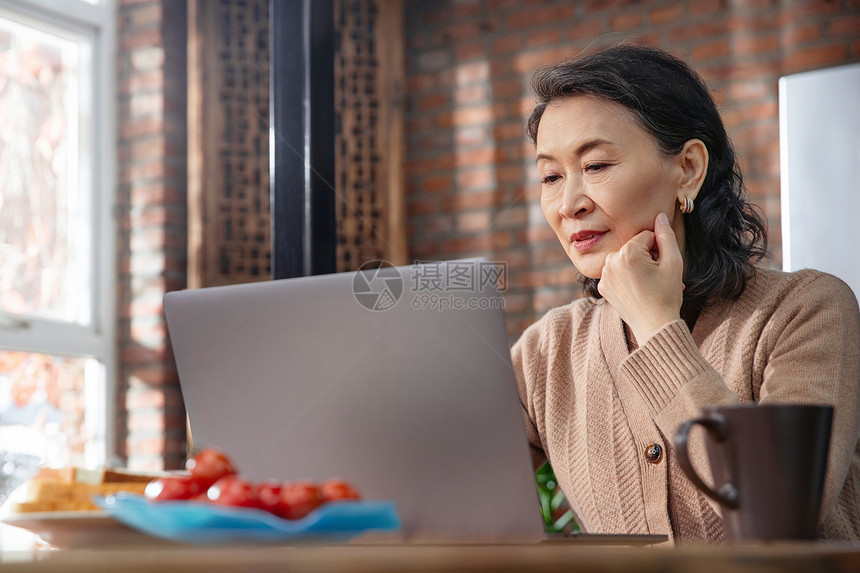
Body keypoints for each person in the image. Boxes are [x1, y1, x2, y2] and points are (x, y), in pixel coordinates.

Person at [512, 44, 860, 544]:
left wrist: (656, 327)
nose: (568, 204)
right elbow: (454, 492)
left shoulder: (807, 310)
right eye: (550, 176)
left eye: (596, 166)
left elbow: (780, 513)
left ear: (689, 168)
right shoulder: (549, 350)